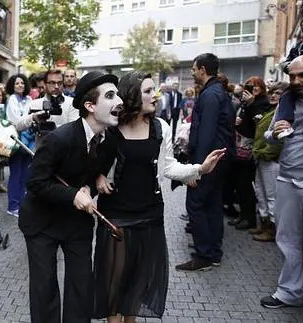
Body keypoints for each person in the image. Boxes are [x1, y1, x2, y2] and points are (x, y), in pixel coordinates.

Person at [93, 72, 225, 322]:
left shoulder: (160, 127)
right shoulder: (110, 126)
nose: (155, 95)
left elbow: (168, 167)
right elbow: (91, 160)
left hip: (149, 214)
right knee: (115, 279)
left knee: (136, 281)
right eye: (148, 90)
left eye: (154, 89)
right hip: (116, 214)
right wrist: (98, 176)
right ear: (132, 94)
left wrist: (199, 169)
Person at [19, 71, 123, 323]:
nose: (119, 101)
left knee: (81, 285)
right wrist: (73, 194)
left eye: (117, 94)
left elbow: (91, 173)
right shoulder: (60, 138)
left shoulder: (110, 141)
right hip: (42, 222)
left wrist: (93, 183)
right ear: (90, 106)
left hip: (76, 222)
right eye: (110, 96)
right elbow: (35, 182)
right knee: (45, 289)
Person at [176, 53, 235, 271]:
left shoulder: (210, 95)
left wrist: (196, 170)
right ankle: (213, 251)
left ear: (202, 69)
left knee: (196, 204)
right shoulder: (217, 92)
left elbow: (206, 134)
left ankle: (204, 255)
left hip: (209, 161)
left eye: (193, 69)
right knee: (212, 205)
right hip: (218, 159)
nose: (192, 73)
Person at [260, 55, 303, 309]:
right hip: (287, 178)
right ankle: (289, 292)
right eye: (293, 76)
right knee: (287, 238)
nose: (297, 81)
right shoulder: (287, 101)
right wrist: (275, 133)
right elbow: (270, 138)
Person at [228, 76, 269, 230]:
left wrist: (251, 105)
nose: (253, 88)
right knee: (240, 184)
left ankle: (250, 218)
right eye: (249, 86)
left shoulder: (262, 103)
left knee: (246, 185)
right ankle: (243, 215)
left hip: (251, 149)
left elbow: (260, 123)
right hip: (239, 148)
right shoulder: (245, 102)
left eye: (256, 86)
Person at [250, 82, 287, 242]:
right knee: (261, 192)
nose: (273, 95)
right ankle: (264, 224)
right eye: (271, 92)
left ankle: (272, 229)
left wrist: (264, 154)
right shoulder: (271, 110)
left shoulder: (282, 113)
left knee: (271, 196)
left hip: (270, 159)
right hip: (261, 157)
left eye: (277, 93)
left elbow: (279, 141)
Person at [5, 73, 33, 217]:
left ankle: (22, 203)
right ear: (12, 85)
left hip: (30, 141)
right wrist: (29, 119)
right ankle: (13, 206)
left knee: (25, 174)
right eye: (17, 83)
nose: (20, 85)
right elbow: (16, 120)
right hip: (16, 141)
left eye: (22, 83)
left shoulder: (29, 99)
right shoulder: (12, 99)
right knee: (15, 174)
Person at [28, 69, 80, 146]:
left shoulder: (72, 103)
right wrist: (33, 117)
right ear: (45, 84)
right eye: (52, 83)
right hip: (42, 152)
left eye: (59, 83)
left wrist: (51, 127)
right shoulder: (35, 103)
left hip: (65, 152)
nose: (56, 86)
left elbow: (75, 129)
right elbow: (19, 125)